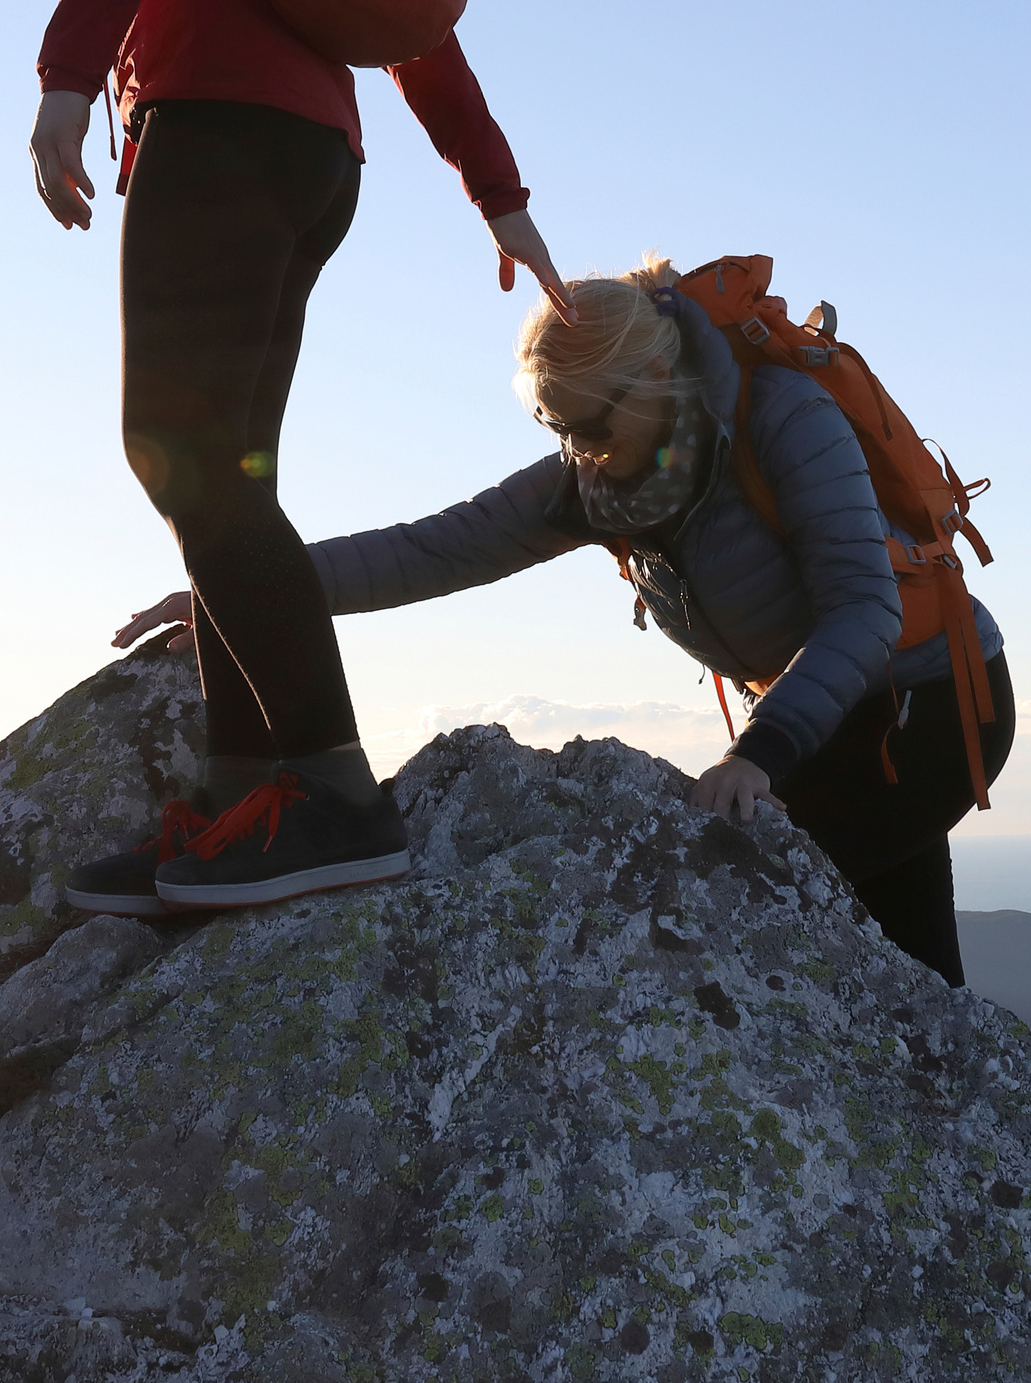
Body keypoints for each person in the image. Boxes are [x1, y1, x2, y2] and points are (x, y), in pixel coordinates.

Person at [32, 0, 573, 916]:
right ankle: (236, 799)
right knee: (232, 472)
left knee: (182, 463)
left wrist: (65, 75)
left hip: (208, 114)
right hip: (317, 150)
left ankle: (335, 798)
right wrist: (494, 186)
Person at [106, 259, 1011, 984]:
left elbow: (864, 606)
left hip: (926, 708)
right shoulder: (599, 483)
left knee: (738, 914)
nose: (578, 455)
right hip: (823, 722)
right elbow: (432, 549)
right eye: (558, 432)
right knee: (917, 977)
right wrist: (238, 584)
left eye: (590, 425)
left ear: (657, 372)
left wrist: (756, 756)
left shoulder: (783, 420)